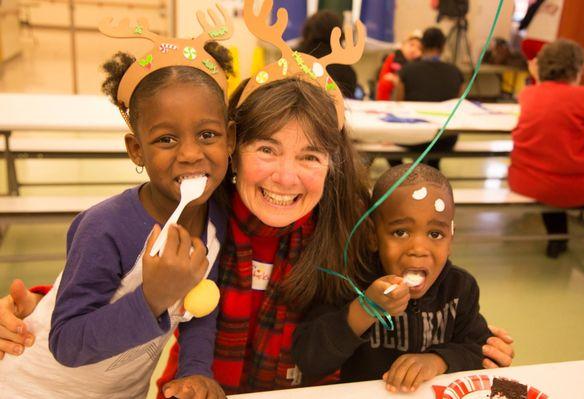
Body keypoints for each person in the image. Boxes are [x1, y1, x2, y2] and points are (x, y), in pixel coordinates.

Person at [0, 0, 515, 395]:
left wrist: (467, 344)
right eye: (267, 148)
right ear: (233, 144)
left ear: (333, 163)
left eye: (311, 157)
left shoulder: (351, 228)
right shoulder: (207, 211)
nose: (286, 178)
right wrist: (43, 305)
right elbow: (131, 261)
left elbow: (425, 274)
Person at [0, 8, 235, 398]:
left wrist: (195, 371)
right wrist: (152, 298)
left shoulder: (215, 221)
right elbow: (68, 342)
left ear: (229, 138)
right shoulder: (106, 227)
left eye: (208, 134)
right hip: (33, 387)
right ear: (136, 150)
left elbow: (198, 308)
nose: (191, 153)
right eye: (166, 139)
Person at [292, 164, 493, 393]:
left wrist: (437, 361)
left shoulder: (460, 288)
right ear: (372, 236)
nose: (418, 249)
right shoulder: (351, 282)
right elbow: (308, 358)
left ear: (451, 238)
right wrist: (365, 309)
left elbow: (479, 350)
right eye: (400, 232)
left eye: (435, 234)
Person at [508, 39, 584, 258]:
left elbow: (550, 95)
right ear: (578, 68)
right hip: (575, 189)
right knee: (563, 175)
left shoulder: (528, 94)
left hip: (528, 182)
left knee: (551, 168)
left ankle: (557, 241)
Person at [392, 27, 464, 170]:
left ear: (422, 46)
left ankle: (404, 173)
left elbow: (397, 104)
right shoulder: (456, 73)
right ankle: (433, 166)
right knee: (436, 138)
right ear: (443, 47)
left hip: (414, 137)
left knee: (387, 142)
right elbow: (458, 106)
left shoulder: (407, 70)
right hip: (446, 139)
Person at [295, 10, 359, 99]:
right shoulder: (342, 66)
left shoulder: (294, 57)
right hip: (331, 111)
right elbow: (350, 94)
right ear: (338, 33)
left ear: (307, 30)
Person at [375, 33, 423, 101]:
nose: (414, 49)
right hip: (392, 91)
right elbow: (384, 76)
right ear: (403, 46)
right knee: (385, 82)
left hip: (410, 92)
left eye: (419, 48)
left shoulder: (419, 64)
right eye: (411, 45)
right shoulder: (393, 57)